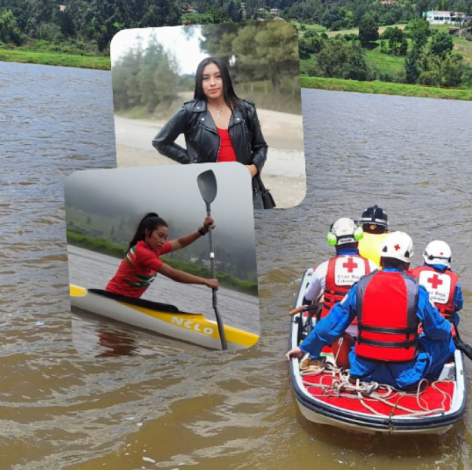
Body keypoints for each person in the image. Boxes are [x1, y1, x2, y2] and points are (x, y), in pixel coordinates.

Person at [286, 232, 455, 389]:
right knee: (446, 340)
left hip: (363, 370)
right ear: (408, 263)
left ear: (381, 260)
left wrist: (305, 348)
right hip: (404, 375)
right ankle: (431, 379)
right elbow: (437, 331)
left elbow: (333, 322)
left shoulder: (361, 285)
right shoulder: (418, 290)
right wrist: (448, 329)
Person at [152, 57, 273, 209]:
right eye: (205, 78)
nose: (212, 83)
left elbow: (261, 146)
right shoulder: (190, 111)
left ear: (226, 79)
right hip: (210, 191)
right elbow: (160, 142)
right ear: (199, 82)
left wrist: (254, 168)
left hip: (246, 189)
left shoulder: (246, 110)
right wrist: (193, 162)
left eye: (218, 76)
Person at [291, 218, 378, 332]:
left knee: (320, 301)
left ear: (333, 241)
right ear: (357, 238)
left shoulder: (323, 268)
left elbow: (309, 297)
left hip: (332, 329)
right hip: (362, 329)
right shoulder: (372, 267)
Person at [105, 213, 219, 299]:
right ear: (147, 232)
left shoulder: (154, 249)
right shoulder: (141, 252)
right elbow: (173, 274)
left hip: (129, 302)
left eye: (165, 238)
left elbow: (180, 242)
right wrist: (205, 281)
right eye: (160, 236)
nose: (162, 241)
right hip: (112, 298)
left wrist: (202, 231)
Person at [409, 240, 463, 334]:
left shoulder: (413, 274)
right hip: (443, 327)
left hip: (418, 325)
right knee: (455, 316)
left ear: (426, 257)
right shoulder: (454, 281)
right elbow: (458, 305)